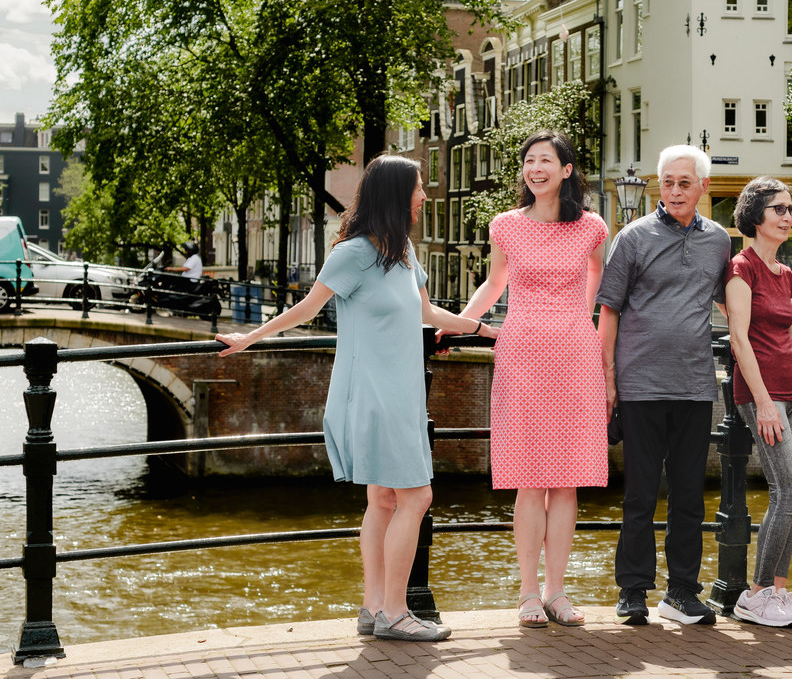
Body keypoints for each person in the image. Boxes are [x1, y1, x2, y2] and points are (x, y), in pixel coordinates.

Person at [215, 155, 497, 642]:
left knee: (385, 499)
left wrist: (487, 330)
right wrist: (249, 338)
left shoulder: (404, 251)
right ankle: (395, 612)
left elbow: (427, 313)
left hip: (403, 392)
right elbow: (306, 309)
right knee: (417, 496)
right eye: (418, 188)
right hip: (371, 394)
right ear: (393, 193)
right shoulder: (352, 253)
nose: (424, 196)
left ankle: (373, 608)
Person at [458, 130, 608, 628]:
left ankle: (557, 592)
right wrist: (453, 324)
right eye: (529, 160)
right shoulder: (505, 225)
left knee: (567, 484)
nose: (535, 167)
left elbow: (598, 284)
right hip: (522, 353)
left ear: (567, 170)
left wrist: (578, 321)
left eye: (546, 160)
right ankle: (526, 593)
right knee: (528, 481)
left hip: (574, 356)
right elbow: (494, 283)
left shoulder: (591, 227)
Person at [597, 143, 730, 626]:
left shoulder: (719, 241)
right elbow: (607, 310)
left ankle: (681, 592)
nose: (675, 191)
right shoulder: (632, 238)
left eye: (684, 182)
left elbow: (729, 303)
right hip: (641, 385)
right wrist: (607, 379)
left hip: (695, 386)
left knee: (691, 496)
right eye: (668, 182)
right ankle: (632, 590)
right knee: (640, 494)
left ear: (703, 187)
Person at [724, 177, 792, 627]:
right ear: (755, 215)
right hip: (763, 395)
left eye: (790, 210)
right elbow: (739, 340)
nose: (787, 217)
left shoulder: (785, 274)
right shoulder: (741, 269)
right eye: (778, 209)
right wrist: (762, 402)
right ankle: (755, 594)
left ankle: (779, 594)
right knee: (791, 492)